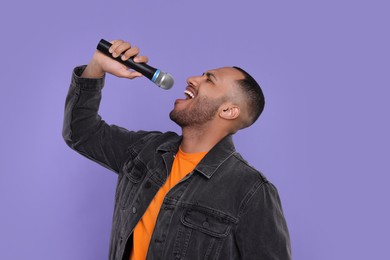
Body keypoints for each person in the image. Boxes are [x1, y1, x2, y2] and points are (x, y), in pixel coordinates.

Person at [62, 39, 291, 260]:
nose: (192, 79)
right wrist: (97, 66)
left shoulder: (251, 190)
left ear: (229, 111)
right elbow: (81, 133)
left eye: (209, 80)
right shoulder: (146, 150)